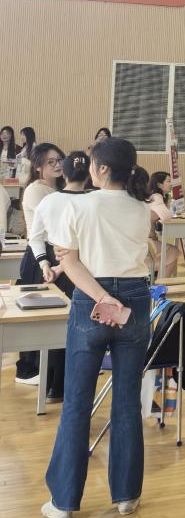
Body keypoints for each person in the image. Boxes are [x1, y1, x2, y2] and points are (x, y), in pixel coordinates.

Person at [41, 138, 153, 518]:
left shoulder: (77, 205)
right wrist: (115, 301)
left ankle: (63, 503)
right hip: (136, 300)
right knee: (127, 401)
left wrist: (104, 299)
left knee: (77, 402)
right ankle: (127, 495)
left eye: (92, 162)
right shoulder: (141, 209)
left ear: (102, 168)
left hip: (91, 298)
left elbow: (70, 263)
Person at [24, 150, 88, 403]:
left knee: (57, 326)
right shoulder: (95, 200)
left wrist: (46, 264)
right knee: (77, 329)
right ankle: (64, 387)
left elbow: (35, 237)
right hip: (83, 269)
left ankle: (53, 387)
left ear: (66, 173)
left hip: (58, 265)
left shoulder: (50, 201)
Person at [14, 143, 65, 390]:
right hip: (39, 256)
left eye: (59, 160)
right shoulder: (36, 190)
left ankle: (53, 370)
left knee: (56, 315)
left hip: (57, 253)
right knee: (37, 315)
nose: (57, 165)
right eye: (50, 162)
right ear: (38, 167)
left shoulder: (60, 188)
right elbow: (56, 222)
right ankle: (27, 369)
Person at [145, 171, 177, 278]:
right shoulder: (156, 196)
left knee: (170, 252)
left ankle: (159, 282)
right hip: (143, 240)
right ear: (159, 184)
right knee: (173, 252)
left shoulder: (154, 196)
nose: (171, 183)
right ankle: (161, 284)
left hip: (145, 238)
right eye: (168, 181)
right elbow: (166, 216)